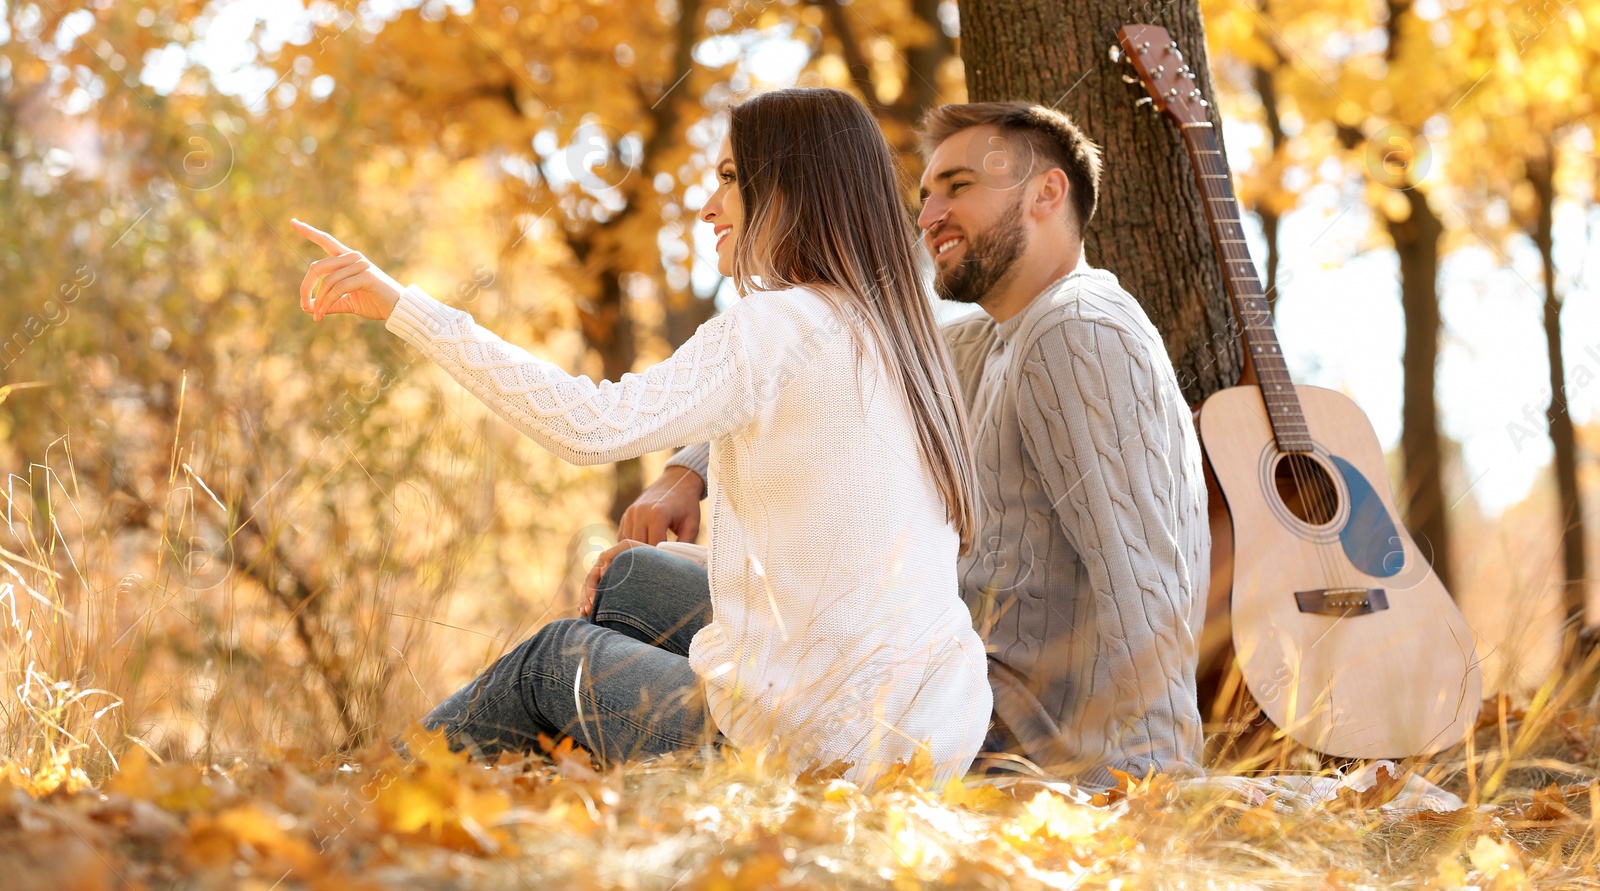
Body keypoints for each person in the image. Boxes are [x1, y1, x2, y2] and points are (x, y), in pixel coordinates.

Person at [290, 87, 992, 788]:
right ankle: (551, 798)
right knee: (628, 576)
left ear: (788, 188)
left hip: (805, 750)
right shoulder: (903, 335)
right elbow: (824, 557)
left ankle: (360, 793)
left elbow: (588, 426)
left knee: (551, 658)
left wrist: (401, 306)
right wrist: (690, 530)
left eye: (727, 179)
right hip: (918, 734)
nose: (707, 206)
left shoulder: (775, 325)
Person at [623, 102, 1209, 787]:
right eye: (926, 195)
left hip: (997, 733)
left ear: (1048, 192)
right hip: (937, 681)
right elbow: (821, 368)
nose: (928, 216)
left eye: (958, 187)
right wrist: (685, 473)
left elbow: (1143, 573)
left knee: (585, 637)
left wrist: (1156, 780)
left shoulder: (1078, 329)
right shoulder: (983, 340)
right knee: (633, 578)